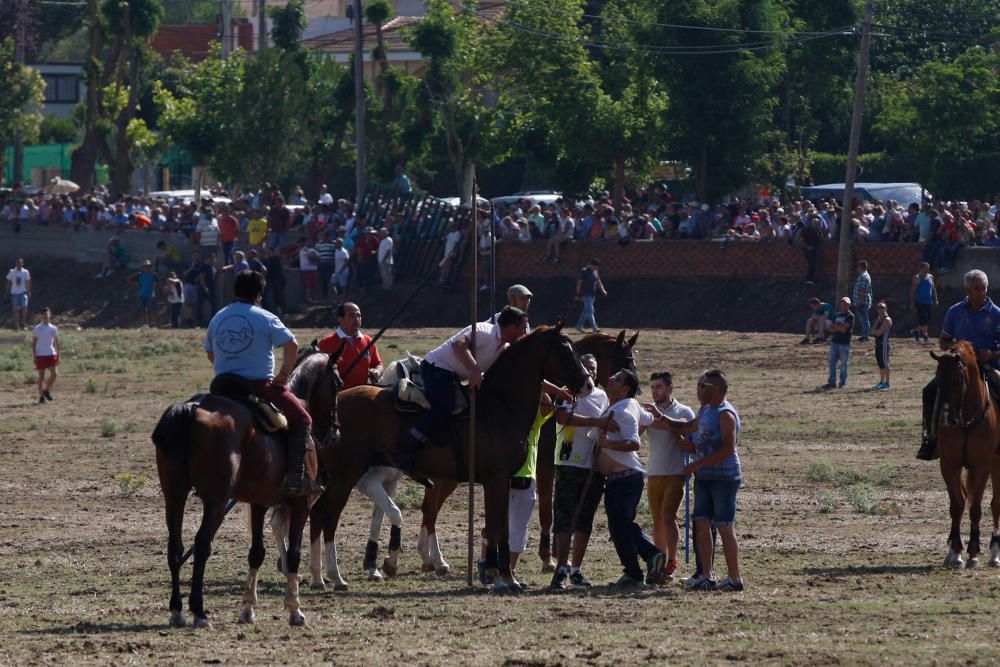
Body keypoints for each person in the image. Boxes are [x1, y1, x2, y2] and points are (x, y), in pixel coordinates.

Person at [204, 270, 321, 496]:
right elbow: (292, 345)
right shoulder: (265, 317)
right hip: (258, 386)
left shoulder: (218, 317)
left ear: (235, 291)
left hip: (221, 386)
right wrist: (284, 375)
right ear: (259, 294)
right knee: (303, 418)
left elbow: (210, 353)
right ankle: (296, 479)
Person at [395, 306, 530, 486]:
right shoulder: (484, 331)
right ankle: (405, 450)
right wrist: (474, 370)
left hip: (454, 375)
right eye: (522, 327)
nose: (524, 332)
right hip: (437, 368)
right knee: (445, 405)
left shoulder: (503, 346)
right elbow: (458, 344)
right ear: (511, 327)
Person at [665, 369, 743, 592]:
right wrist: (661, 419)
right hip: (705, 478)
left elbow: (729, 448)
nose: (699, 390)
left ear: (716, 389)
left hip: (724, 478)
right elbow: (688, 428)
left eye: (703, 387)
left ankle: (734, 578)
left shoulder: (725, 414)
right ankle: (706, 576)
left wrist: (698, 464)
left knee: (725, 526)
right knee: (701, 522)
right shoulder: (707, 411)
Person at [549, 354, 619, 590]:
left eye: (593, 368)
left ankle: (577, 569)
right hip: (568, 462)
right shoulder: (566, 392)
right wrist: (595, 422)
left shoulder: (602, 396)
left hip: (593, 465)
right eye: (586, 368)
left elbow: (608, 422)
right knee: (563, 517)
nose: (589, 372)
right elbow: (561, 417)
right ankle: (560, 567)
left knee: (584, 519)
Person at [917, 269, 1000, 460]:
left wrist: (992, 353)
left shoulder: (996, 314)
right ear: (967, 290)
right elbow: (944, 340)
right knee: (930, 391)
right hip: (958, 367)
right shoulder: (954, 311)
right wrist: (955, 350)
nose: (982, 292)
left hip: (988, 365)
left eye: (984, 288)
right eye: (976, 288)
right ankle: (931, 438)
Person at [595, 369, 665, 589]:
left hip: (623, 479)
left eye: (615, 379)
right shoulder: (631, 405)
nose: (609, 379)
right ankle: (649, 558)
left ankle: (635, 571)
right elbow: (649, 418)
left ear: (624, 389)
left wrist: (608, 445)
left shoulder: (623, 410)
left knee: (619, 528)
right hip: (624, 479)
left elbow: (633, 443)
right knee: (623, 525)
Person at [643, 371, 695, 582]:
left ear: (670, 388)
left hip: (675, 472)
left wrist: (660, 419)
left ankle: (672, 560)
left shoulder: (684, 411)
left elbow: (687, 430)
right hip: (654, 473)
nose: (655, 391)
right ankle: (660, 561)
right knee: (657, 523)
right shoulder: (647, 412)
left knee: (668, 517)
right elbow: (635, 432)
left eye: (659, 387)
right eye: (652, 387)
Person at [317, 302, 384, 389]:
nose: (357, 319)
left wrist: (377, 371)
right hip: (337, 398)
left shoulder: (368, 341)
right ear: (340, 319)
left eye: (358, 315)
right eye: (352, 315)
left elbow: (378, 364)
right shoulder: (325, 344)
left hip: (362, 395)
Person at [825, 297, 855, 389]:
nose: (844, 305)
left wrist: (836, 327)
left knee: (843, 364)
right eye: (842, 303)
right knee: (832, 362)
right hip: (834, 342)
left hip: (844, 343)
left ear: (849, 305)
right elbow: (831, 328)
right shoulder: (837, 315)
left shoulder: (850, 316)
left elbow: (843, 329)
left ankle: (842, 382)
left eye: (846, 303)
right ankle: (832, 382)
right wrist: (838, 327)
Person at [32, 307, 60, 404]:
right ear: (41, 316)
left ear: (50, 315)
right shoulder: (37, 328)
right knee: (41, 376)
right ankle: (41, 397)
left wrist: (58, 356)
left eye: (47, 315)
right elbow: (34, 343)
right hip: (41, 354)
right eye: (44, 315)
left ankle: (46, 390)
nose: (45, 317)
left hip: (51, 353)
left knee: (54, 374)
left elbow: (57, 342)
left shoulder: (53, 328)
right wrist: (34, 356)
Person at [575, 258, 607, 334]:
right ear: (591, 265)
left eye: (597, 267)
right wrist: (578, 294)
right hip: (585, 294)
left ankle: (578, 326)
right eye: (595, 266)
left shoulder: (595, 272)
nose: (596, 268)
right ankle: (594, 327)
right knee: (590, 311)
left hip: (592, 294)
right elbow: (579, 282)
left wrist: (602, 290)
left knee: (586, 311)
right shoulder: (584, 271)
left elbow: (598, 281)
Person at [910, 261, 938, 344]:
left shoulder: (930, 277)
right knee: (923, 319)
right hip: (920, 301)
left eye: (928, 268)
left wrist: (935, 299)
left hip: (928, 301)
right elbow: (912, 291)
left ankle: (916, 331)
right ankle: (925, 335)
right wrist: (911, 302)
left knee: (928, 319)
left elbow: (933, 289)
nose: (927, 270)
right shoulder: (917, 277)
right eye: (925, 268)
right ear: (921, 268)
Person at [129, 260, 159, 327]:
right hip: (141, 294)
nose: (147, 268)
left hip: (150, 295)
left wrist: (156, 290)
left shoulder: (154, 275)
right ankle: (144, 324)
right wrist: (136, 285)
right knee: (143, 310)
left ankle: (152, 322)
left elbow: (158, 283)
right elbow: (130, 279)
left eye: (148, 266)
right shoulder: (139, 275)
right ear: (143, 267)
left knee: (151, 309)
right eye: (146, 266)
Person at [871, 301, 892, 390]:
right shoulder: (879, 319)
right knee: (880, 364)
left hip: (883, 344)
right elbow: (871, 331)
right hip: (878, 344)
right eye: (879, 308)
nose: (880, 309)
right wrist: (875, 331)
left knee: (885, 363)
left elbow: (879, 332)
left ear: (886, 309)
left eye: (882, 308)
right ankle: (881, 381)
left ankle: (887, 383)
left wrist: (875, 332)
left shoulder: (887, 319)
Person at [6, 258, 31, 330]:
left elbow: (28, 281)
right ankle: (16, 324)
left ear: (22, 264)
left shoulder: (25, 272)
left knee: (24, 308)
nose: (19, 264)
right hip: (14, 293)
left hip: (23, 292)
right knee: (16, 309)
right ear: (16, 263)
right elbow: (8, 280)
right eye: (18, 263)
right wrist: (7, 290)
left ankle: (23, 323)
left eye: (21, 263)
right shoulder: (12, 271)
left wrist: (29, 291)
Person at [853, 260, 873, 342]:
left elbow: (863, 290)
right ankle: (864, 334)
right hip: (862, 301)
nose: (857, 268)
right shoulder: (862, 276)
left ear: (861, 267)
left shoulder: (864, 277)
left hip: (862, 302)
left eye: (858, 267)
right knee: (863, 318)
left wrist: (859, 301)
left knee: (864, 319)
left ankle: (865, 335)